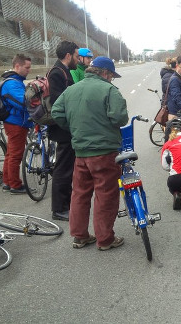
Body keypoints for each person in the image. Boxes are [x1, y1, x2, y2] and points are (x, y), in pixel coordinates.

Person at [52, 56, 129, 251]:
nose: (112, 79)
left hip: (80, 151)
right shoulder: (109, 90)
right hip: (104, 152)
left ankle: (80, 236)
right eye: (112, 76)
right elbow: (120, 118)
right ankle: (105, 239)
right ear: (106, 73)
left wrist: (75, 128)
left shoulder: (71, 90)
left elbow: (56, 112)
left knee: (79, 193)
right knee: (106, 194)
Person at [48, 41, 79, 221]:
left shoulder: (63, 71)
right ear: (68, 56)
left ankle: (66, 204)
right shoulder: (57, 73)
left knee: (68, 167)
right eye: (75, 55)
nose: (77, 59)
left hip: (66, 127)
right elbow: (56, 101)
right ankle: (59, 208)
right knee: (63, 168)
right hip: (62, 128)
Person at [0, 54, 34, 194]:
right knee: (15, 155)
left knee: (11, 153)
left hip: (14, 121)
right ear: (17, 66)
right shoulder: (12, 83)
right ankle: (15, 184)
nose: (29, 70)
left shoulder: (15, 81)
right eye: (27, 67)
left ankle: (7, 182)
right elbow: (22, 103)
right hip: (16, 123)